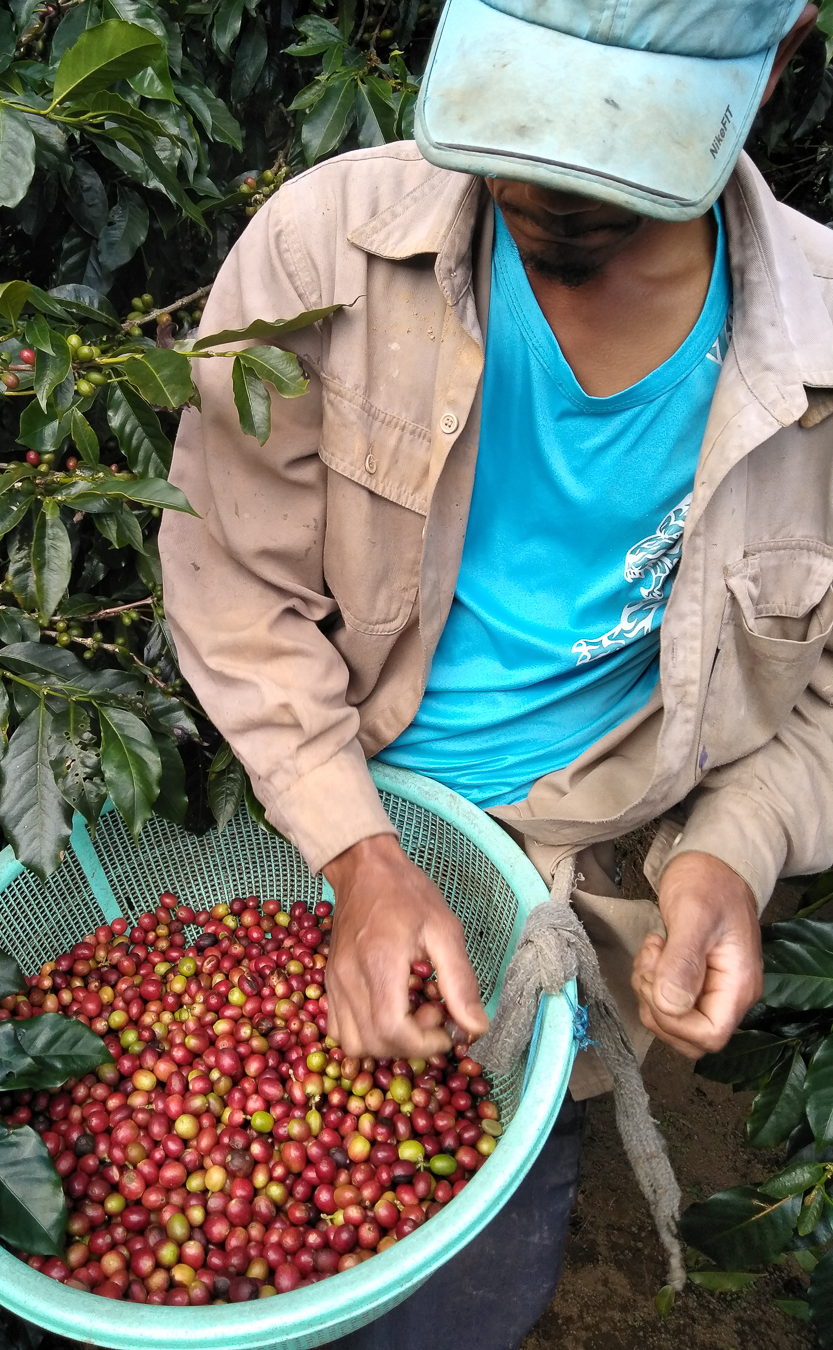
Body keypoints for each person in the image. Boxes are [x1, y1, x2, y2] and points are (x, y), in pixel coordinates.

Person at [160, 0, 833, 1343]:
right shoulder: (322, 251)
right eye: (518, 121)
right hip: (305, 847)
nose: (545, 186)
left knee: (465, 1284)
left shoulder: (818, 368)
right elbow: (233, 578)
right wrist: (359, 856)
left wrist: (728, 853)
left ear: (778, 63)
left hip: (569, 909)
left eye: (615, 148)